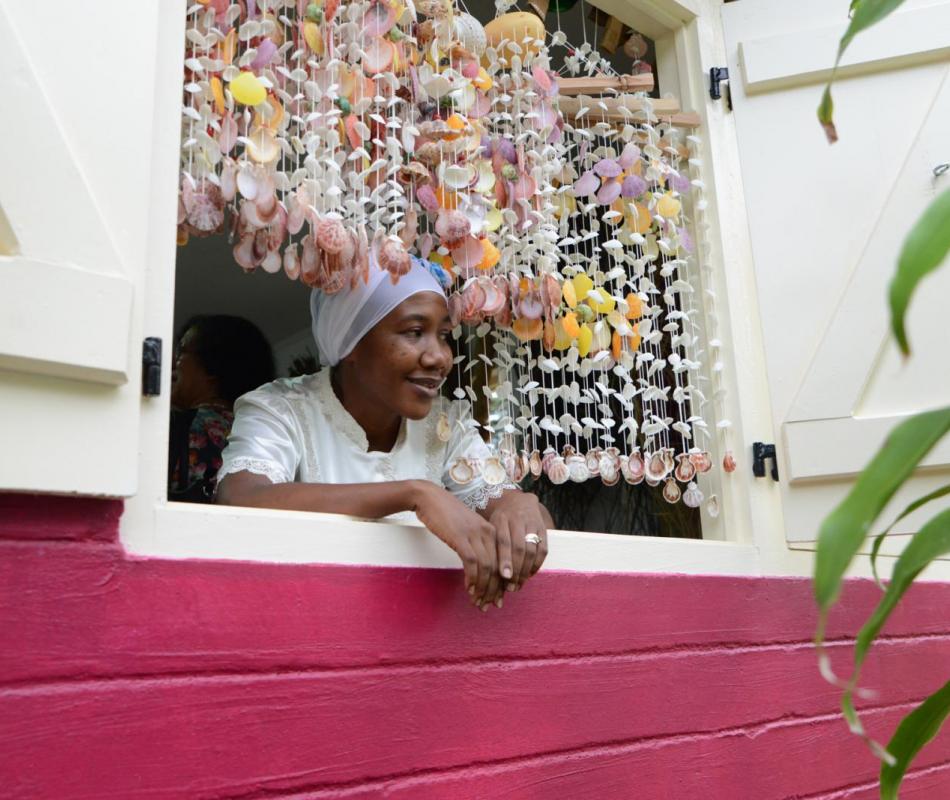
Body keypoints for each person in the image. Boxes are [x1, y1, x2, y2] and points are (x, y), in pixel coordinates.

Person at [216, 257, 552, 610]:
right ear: (351, 343)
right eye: (413, 332)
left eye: (443, 335)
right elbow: (241, 499)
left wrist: (520, 506)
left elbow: (525, 518)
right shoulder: (281, 409)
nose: (439, 357)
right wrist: (415, 494)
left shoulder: (446, 426)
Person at [168, 315, 275, 503]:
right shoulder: (268, 432)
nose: (172, 363)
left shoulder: (170, 425)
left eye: (181, 351)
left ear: (212, 366)